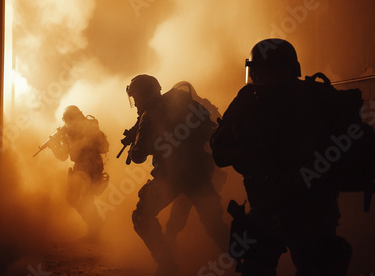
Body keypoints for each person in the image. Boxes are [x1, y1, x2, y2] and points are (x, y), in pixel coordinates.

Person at [211, 39, 352, 276]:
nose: (262, 78)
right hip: (273, 209)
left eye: (269, 72)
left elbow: (338, 152)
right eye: (259, 71)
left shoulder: (311, 101)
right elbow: (219, 148)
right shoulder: (250, 99)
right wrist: (244, 156)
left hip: (305, 211)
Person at [126, 75, 229, 276]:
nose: (135, 103)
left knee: (141, 216)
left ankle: (167, 265)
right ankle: (247, 263)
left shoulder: (150, 114)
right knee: (215, 225)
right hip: (197, 174)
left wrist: (134, 142)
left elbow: (138, 156)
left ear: (143, 95)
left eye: (136, 97)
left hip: (170, 178)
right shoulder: (186, 106)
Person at [163, 81, 228, 246]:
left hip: (201, 171)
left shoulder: (202, 108)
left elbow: (219, 132)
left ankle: (168, 259)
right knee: (201, 217)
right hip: (195, 172)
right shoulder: (187, 109)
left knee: (202, 217)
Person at [49, 105, 109, 239]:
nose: (67, 124)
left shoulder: (87, 128)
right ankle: (95, 225)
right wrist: (54, 145)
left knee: (85, 198)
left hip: (91, 166)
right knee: (73, 198)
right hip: (81, 166)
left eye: (68, 121)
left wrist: (60, 142)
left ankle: (95, 228)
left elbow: (99, 146)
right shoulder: (70, 132)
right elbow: (64, 155)